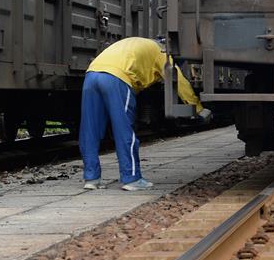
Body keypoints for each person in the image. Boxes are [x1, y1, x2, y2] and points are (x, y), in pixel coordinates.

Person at [79, 37, 208, 191]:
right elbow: (179, 81)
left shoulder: (137, 43)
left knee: (89, 130)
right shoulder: (162, 52)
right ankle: (131, 178)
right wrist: (198, 109)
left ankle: (92, 178)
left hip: (91, 75)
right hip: (117, 78)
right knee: (124, 129)